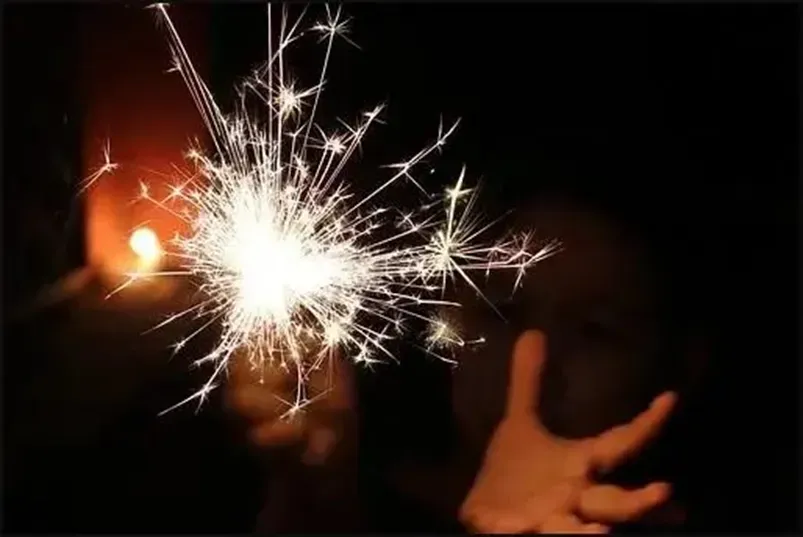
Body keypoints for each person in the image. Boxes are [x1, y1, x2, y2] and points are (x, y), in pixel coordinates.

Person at [225, 193, 706, 533]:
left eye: (594, 331)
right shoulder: (371, 504)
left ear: (680, 364)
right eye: (504, 311)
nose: (533, 360)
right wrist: (314, 498)